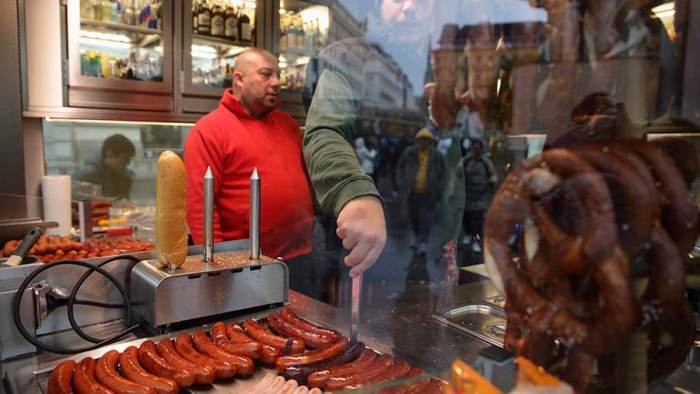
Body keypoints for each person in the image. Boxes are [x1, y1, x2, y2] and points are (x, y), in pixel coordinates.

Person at [183, 49, 315, 294]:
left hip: (301, 257)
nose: (277, 82)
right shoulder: (208, 131)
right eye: (266, 74)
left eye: (278, 75)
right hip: (246, 264)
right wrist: (217, 266)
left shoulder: (288, 124)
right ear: (239, 79)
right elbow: (200, 206)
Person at [396, 128, 446, 255]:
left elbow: (444, 172)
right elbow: (399, 166)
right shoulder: (409, 152)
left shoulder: (436, 155)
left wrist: (440, 187)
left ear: (430, 142)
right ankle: (416, 235)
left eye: (426, 140)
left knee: (426, 218)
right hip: (411, 191)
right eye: (421, 140)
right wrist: (401, 180)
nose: (423, 142)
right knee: (413, 216)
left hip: (429, 192)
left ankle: (423, 242)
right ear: (417, 140)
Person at [460, 139, 497, 253]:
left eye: (478, 148)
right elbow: (456, 175)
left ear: (481, 149)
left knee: (477, 223)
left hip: (480, 198)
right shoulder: (465, 161)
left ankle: (476, 242)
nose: (476, 150)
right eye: (474, 148)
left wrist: (490, 181)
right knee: (466, 218)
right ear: (472, 149)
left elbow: (494, 176)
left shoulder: (486, 162)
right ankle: (467, 234)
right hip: (466, 196)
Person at [72, 133, 136, 199]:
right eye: (125, 158)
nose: (128, 163)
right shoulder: (86, 175)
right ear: (110, 155)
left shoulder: (124, 176)